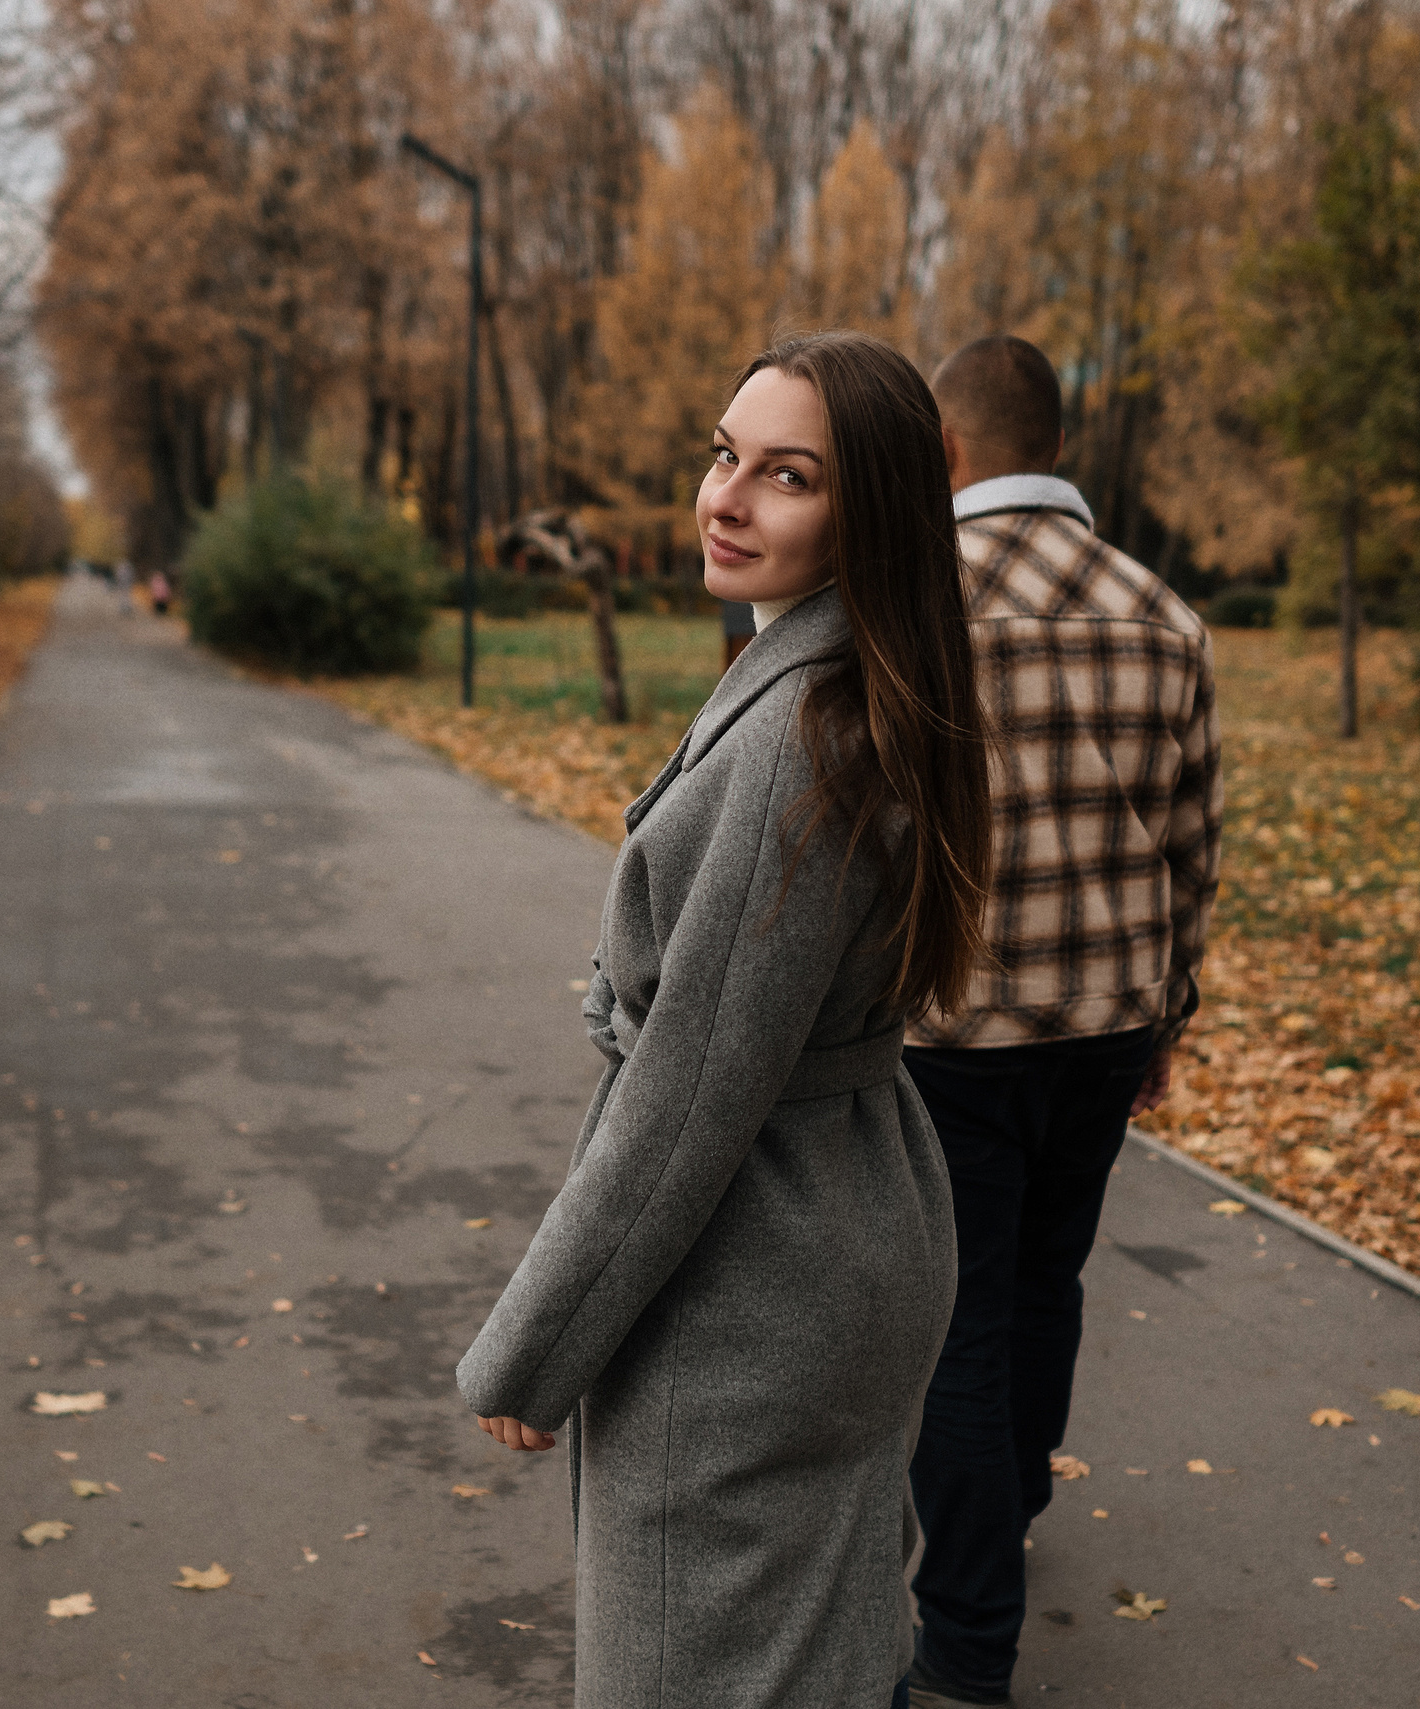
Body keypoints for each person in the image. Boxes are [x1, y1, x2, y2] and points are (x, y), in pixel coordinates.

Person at [457, 331, 993, 1709]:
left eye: (787, 474)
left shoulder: (796, 747)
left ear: (866, 511)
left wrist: (538, 1343)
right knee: (815, 1648)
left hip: (759, 1279)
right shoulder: (853, 682)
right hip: (847, 1218)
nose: (727, 496)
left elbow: (690, 1097)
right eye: (723, 453)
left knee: (694, 1667)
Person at [898, 334, 1222, 1708]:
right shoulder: (1166, 614)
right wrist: (1168, 1015)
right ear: (1056, 444)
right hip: (1105, 1024)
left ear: (951, 453)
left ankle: (969, 1644)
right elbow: (1190, 844)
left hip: (957, 1031)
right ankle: (1013, 1502)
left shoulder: (911, 607)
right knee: (1046, 1278)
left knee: (956, 1323)